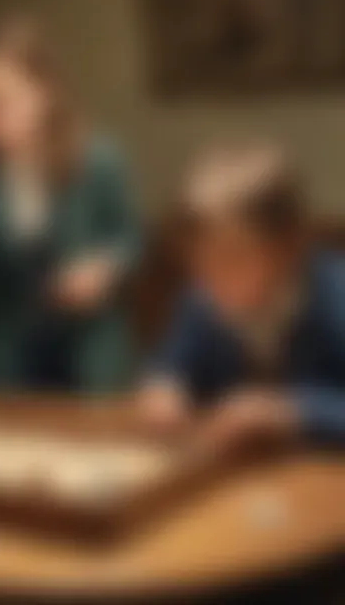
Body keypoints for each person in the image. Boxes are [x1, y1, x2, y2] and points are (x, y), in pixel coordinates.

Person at [0, 13, 140, 409]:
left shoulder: (97, 158)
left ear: (45, 90)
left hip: (88, 352)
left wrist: (104, 268)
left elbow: (128, 237)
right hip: (7, 356)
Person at [139, 142, 345, 451]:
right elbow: (173, 364)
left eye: (232, 259)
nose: (211, 278)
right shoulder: (202, 300)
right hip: (242, 477)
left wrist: (291, 412)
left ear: (288, 249)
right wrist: (165, 388)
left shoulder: (333, 298)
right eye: (199, 262)